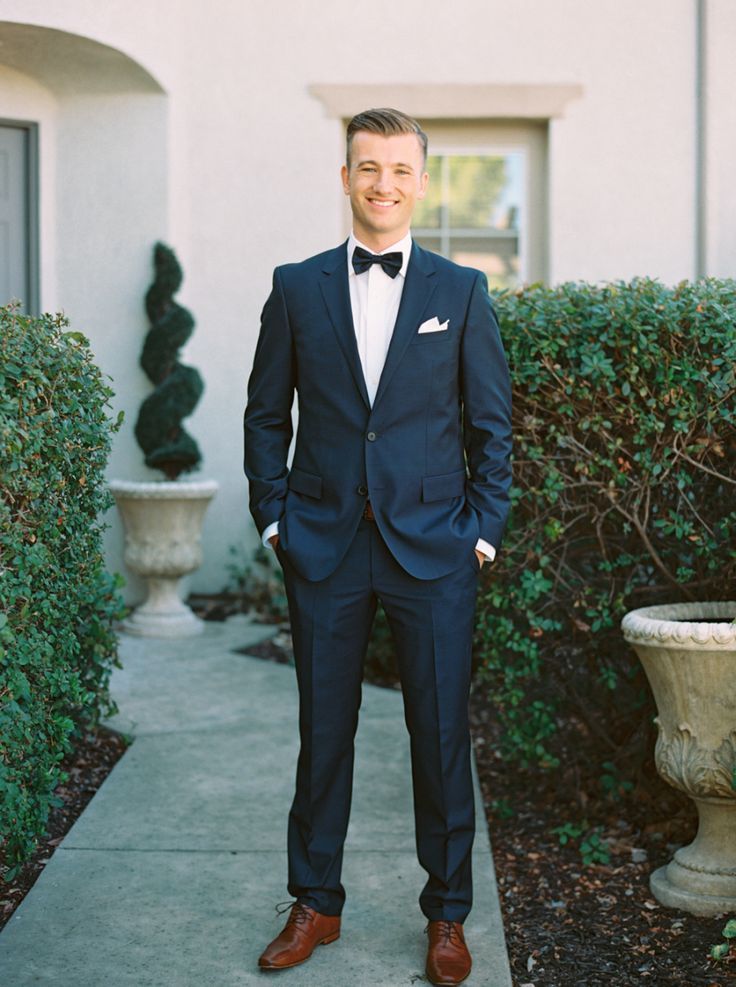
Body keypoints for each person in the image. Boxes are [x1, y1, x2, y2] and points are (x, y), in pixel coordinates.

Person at [243, 107, 512, 986]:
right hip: (322, 545)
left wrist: (481, 532)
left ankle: (447, 915)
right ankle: (315, 901)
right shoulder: (296, 285)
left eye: (399, 169)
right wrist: (274, 517)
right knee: (324, 734)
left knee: (438, 737)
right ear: (346, 175)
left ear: (422, 181)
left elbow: (492, 427)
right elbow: (264, 414)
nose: (383, 184)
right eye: (368, 168)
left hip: (434, 549)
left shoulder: (461, 291)